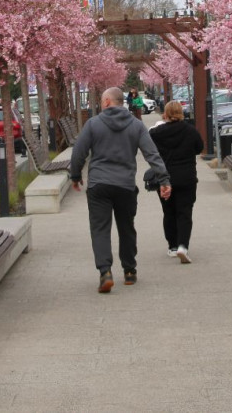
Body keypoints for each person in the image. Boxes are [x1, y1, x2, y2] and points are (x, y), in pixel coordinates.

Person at [69, 87, 170, 293]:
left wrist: (76, 176)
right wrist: (164, 179)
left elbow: (79, 152)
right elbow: (152, 154)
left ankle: (105, 272)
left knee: (100, 229)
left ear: (106, 102)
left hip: (98, 184)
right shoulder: (136, 125)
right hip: (125, 185)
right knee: (126, 227)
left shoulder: (93, 124)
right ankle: (130, 271)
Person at [149, 101, 204, 263]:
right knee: (184, 212)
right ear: (181, 112)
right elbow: (199, 148)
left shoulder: (156, 133)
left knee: (169, 212)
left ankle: (172, 246)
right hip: (186, 177)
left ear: (165, 113)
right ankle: (183, 246)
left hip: (164, 177)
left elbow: (150, 150)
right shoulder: (190, 131)